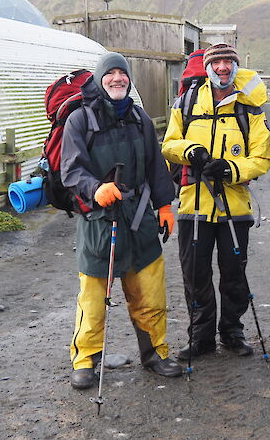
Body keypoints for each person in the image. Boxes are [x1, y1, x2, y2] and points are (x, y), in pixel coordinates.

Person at [61, 52, 180, 389]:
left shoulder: (139, 118)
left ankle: (155, 353)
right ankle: (85, 361)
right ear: (100, 80)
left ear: (129, 80)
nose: (118, 79)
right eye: (111, 74)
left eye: (122, 75)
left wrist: (166, 206)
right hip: (99, 219)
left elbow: (156, 166)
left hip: (139, 218)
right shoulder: (79, 120)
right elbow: (70, 169)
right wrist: (95, 188)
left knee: (151, 291)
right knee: (94, 297)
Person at [161, 44, 270, 360]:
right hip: (193, 205)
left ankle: (232, 333)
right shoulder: (186, 103)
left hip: (235, 208)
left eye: (229, 62)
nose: (223, 67)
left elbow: (263, 156)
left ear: (236, 67)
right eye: (217, 62)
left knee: (234, 274)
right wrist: (190, 152)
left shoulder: (248, 107)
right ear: (207, 68)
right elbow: (168, 145)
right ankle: (200, 337)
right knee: (195, 274)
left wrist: (232, 169)